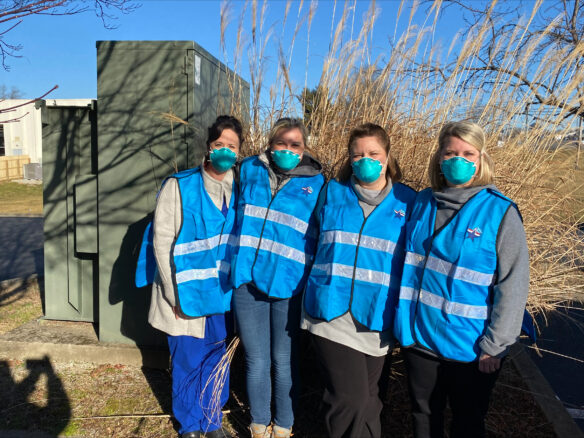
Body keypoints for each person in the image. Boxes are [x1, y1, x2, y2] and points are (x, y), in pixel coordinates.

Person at [394, 121, 530, 438]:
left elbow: (513, 284)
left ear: (480, 159)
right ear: (439, 158)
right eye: (450, 152)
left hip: (471, 348)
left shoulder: (500, 212)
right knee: (424, 417)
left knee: (468, 423)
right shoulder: (422, 202)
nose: (459, 159)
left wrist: (495, 346)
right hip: (420, 339)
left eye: (468, 153)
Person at [301, 123, 416, 438]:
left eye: (373, 153)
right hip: (329, 313)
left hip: (376, 318)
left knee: (369, 402)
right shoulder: (331, 193)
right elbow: (306, 242)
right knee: (348, 401)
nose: (365, 160)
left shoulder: (409, 203)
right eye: (357, 154)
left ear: (387, 156)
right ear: (349, 159)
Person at [146, 115, 243, 438]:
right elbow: (162, 242)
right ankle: (190, 425)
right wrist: (174, 296)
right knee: (188, 358)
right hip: (184, 293)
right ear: (208, 147)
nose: (225, 151)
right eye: (219, 145)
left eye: (232, 146)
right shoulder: (180, 185)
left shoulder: (240, 190)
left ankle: (212, 420)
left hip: (221, 294)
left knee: (216, 358)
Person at [231, 117, 325, 438]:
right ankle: (259, 424)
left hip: (288, 283)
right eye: (281, 143)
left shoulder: (318, 184)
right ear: (270, 145)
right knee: (255, 359)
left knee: (283, 359)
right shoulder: (248, 170)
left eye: (294, 144)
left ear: (304, 148)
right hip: (247, 280)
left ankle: (284, 426)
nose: (287, 149)